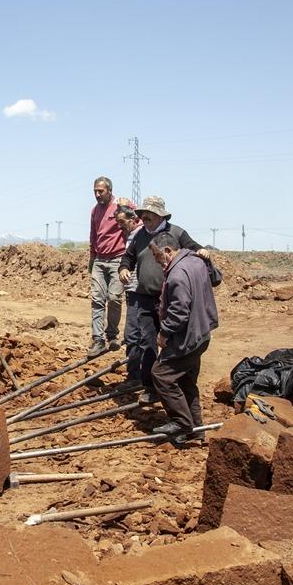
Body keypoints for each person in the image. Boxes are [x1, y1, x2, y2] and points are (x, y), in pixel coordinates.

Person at [118, 196, 207, 403]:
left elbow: (193, 250)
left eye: (148, 214)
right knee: (148, 343)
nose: (143, 218)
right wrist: (123, 268)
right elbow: (128, 257)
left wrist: (202, 252)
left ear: (160, 215)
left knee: (173, 343)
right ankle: (150, 387)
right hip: (144, 298)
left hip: (170, 299)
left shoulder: (176, 233)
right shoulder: (140, 235)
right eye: (142, 214)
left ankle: (178, 386)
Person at [147, 230, 219, 444]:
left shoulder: (178, 274)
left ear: (168, 251)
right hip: (202, 334)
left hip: (187, 338)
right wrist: (208, 260)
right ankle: (195, 430)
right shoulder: (196, 261)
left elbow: (180, 311)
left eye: (157, 256)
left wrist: (164, 332)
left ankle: (181, 422)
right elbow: (217, 278)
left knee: (161, 375)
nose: (157, 262)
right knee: (186, 380)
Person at [87, 177, 125, 358]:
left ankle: (112, 335)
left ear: (109, 190)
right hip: (100, 261)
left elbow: (137, 222)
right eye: (95, 191)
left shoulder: (121, 205)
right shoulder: (95, 211)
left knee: (114, 298)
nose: (97, 194)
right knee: (97, 300)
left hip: (118, 259)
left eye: (100, 191)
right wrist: (92, 258)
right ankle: (98, 339)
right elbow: (93, 235)